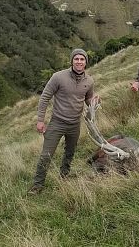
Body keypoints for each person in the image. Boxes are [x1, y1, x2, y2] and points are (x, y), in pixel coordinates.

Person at [28, 48, 95, 194]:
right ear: (72, 61)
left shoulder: (89, 80)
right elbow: (45, 97)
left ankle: (64, 176)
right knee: (46, 155)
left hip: (75, 124)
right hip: (57, 123)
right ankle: (37, 185)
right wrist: (40, 120)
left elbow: (88, 99)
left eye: (82, 59)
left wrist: (94, 102)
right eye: (76, 59)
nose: (79, 61)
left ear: (85, 62)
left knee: (69, 153)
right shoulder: (58, 77)